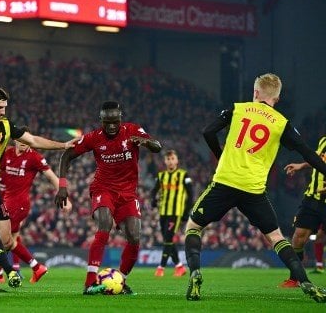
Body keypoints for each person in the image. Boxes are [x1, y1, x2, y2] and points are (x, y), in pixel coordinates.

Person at [184, 73, 326, 303]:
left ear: (255, 93)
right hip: (253, 189)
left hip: (225, 182)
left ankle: (195, 273)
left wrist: (220, 154)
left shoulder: (238, 109)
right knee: (277, 237)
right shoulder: (281, 123)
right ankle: (306, 282)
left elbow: (207, 131)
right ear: (277, 99)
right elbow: (308, 153)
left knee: (193, 227)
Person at [0, 84, 75, 293]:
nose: (3, 112)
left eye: (4, 107)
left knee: (6, 239)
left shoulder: (7, 127)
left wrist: (63, 145)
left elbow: (35, 140)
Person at [54, 100, 162, 295]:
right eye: (107, 122)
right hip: (103, 189)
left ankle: (121, 280)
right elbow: (67, 156)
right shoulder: (93, 138)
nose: (111, 126)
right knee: (105, 224)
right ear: (101, 120)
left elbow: (157, 146)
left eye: (115, 121)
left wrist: (146, 142)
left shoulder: (133, 130)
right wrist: (62, 186)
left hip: (128, 193)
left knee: (134, 237)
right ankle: (89, 284)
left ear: (120, 118)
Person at [0, 134, 72, 283]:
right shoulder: (7, 153)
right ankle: (35, 267)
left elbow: (51, 176)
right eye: (21, 140)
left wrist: (64, 195)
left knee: (1, 239)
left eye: (27, 141)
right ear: (15, 140)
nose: (24, 143)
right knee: (9, 240)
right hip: (6, 201)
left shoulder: (34, 157)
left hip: (19, 204)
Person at [279, 136, 326, 287]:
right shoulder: (324, 140)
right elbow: (318, 159)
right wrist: (301, 165)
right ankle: (295, 278)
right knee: (298, 237)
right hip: (312, 198)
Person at [151, 149, 193, 277]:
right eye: (168, 159)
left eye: (172, 159)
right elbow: (154, 190)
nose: (170, 161)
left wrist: (186, 213)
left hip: (176, 213)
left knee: (168, 238)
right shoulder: (161, 176)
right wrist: (153, 200)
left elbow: (191, 195)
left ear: (177, 160)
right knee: (167, 239)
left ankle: (161, 267)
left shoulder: (184, 175)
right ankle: (179, 266)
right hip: (163, 212)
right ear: (164, 161)